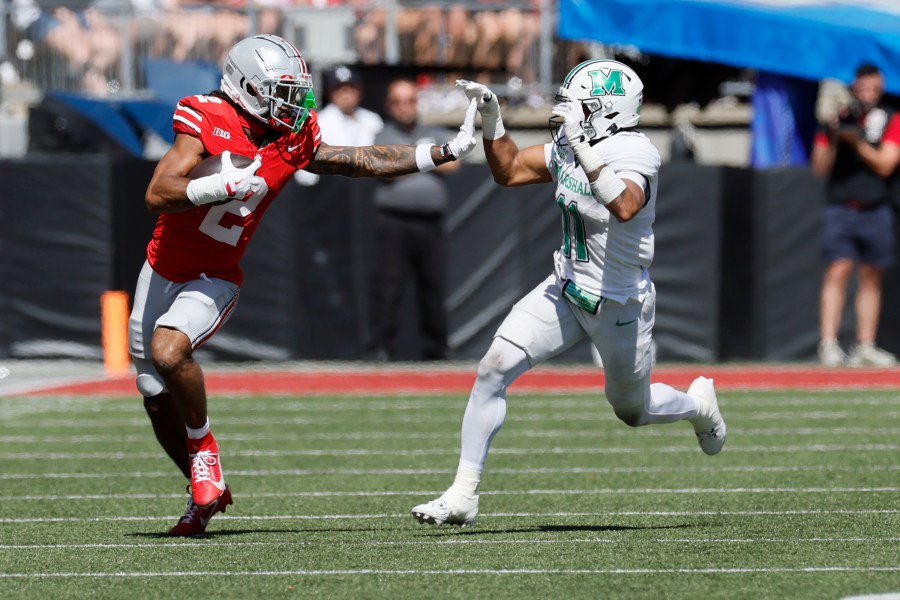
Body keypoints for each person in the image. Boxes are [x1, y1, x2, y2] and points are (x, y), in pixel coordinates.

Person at [128, 34, 477, 537]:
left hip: (216, 274)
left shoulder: (291, 138)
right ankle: (204, 489)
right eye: (282, 92)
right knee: (153, 392)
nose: (296, 105)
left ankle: (205, 452)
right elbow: (157, 193)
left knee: (168, 350)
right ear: (246, 88)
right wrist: (217, 186)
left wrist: (442, 151)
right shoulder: (204, 115)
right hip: (161, 267)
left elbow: (362, 160)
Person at [410, 61, 727, 527]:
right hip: (564, 286)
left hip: (618, 301)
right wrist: (494, 119)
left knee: (633, 411)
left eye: (580, 104)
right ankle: (463, 494)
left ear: (609, 110)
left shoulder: (635, 150)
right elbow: (511, 171)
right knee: (492, 369)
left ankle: (698, 406)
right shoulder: (570, 142)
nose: (567, 111)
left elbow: (625, 205)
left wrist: (580, 145)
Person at [365, 78, 464, 361]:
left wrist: (408, 158)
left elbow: (454, 161)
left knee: (434, 286)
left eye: (410, 100)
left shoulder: (431, 130)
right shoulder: (383, 134)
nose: (406, 107)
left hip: (430, 223)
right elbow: (385, 168)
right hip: (394, 222)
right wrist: (429, 159)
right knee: (389, 286)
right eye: (399, 101)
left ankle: (438, 347)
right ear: (388, 105)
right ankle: (381, 347)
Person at [811, 64, 900, 368]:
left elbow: (887, 163)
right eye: (862, 85)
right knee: (837, 271)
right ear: (855, 85)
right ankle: (829, 343)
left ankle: (865, 344)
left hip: (876, 207)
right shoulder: (838, 118)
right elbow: (819, 167)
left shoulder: (890, 116)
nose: (867, 92)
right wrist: (836, 136)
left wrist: (858, 143)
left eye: (873, 86)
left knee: (871, 277)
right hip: (840, 206)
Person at [293, 64, 383, 186]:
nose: (346, 94)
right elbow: (305, 176)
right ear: (330, 93)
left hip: (368, 188)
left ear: (360, 91)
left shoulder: (373, 120)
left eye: (351, 88)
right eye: (340, 89)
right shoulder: (319, 122)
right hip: (333, 190)